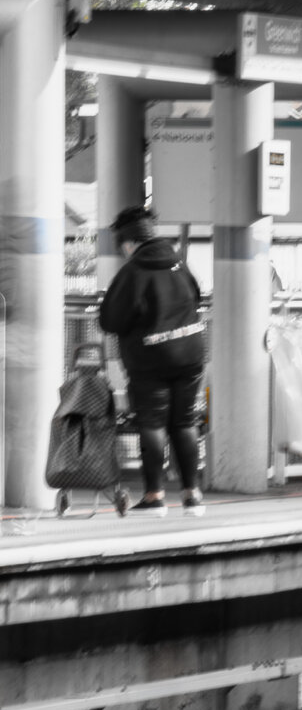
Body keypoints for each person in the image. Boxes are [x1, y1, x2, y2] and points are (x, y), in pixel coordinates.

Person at [98, 206, 207, 517]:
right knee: (185, 422)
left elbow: (111, 320)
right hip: (190, 354)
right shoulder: (180, 265)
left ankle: (155, 495)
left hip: (151, 358)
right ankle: (192, 495)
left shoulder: (132, 272)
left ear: (129, 242)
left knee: (153, 424)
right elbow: (196, 298)